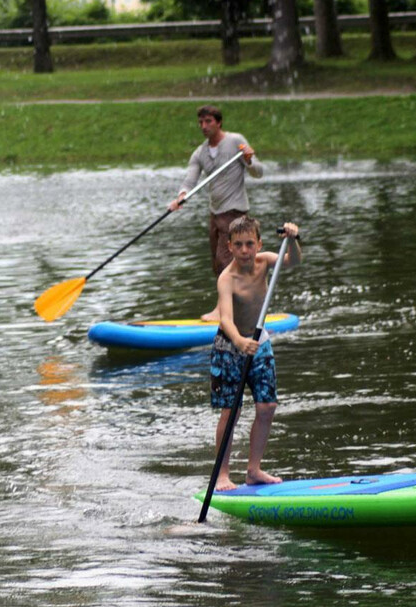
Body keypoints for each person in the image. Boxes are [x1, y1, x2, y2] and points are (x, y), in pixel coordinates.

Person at [209, 216, 300, 491]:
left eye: (250, 244)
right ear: (230, 247)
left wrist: (293, 240)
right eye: (239, 245)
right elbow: (225, 318)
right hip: (229, 347)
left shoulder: (264, 262)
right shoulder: (227, 278)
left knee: (267, 406)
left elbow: (292, 262)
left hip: (259, 342)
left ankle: (253, 469)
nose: (246, 250)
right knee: (231, 412)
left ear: (259, 244)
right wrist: (238, 341)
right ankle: (223, 474)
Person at [167, 105, 264, 321]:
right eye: (201, 122)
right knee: (216, 263)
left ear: (218, 122)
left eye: (208, 121)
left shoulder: (235, 141)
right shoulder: (200, 152)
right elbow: (190, 180)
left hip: (236, 212)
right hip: (216, 214)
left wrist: (248, 159)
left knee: (225, 261)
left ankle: (223, 311)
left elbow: (259, 172)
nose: (204, 126)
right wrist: (181, 195)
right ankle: (236, 306)